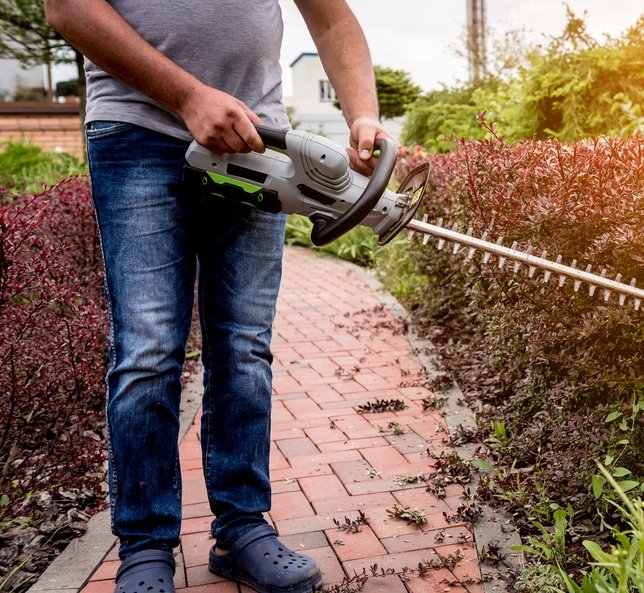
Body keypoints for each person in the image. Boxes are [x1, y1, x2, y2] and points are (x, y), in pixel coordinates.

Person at [43, 1, 390, 591]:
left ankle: (241, 527)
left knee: (244, 348)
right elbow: (68, 7)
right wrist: (188, 97)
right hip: (137, 133)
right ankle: (145, 545)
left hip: (256, 142)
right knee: (148, 352)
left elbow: (332, 18)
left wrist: (364, 115)